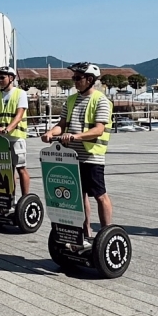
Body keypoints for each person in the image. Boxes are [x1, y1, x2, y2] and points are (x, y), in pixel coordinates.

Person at [41, 62, 113, 241]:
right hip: (72, 157)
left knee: (100, 195)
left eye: (77, 78)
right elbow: (62, 125)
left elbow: (98, 130)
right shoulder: (71, 100)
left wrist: (75, 137)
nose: (74, 81)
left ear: (90, 80)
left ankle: (107, 234)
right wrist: (51, 132)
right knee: (79, 196)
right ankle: (85, 231)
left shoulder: (101, 100)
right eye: (73, 78)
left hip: (92, 155)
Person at [0, 66, 30, 196]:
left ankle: (25, 199)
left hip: (16, 137)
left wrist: (7, 129)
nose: (0, 80)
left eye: (2, 77)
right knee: (8, 170)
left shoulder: (21, 93)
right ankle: (11, 197)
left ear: (11, 78)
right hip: (1, 140)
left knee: (21, 168)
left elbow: (19, 116)